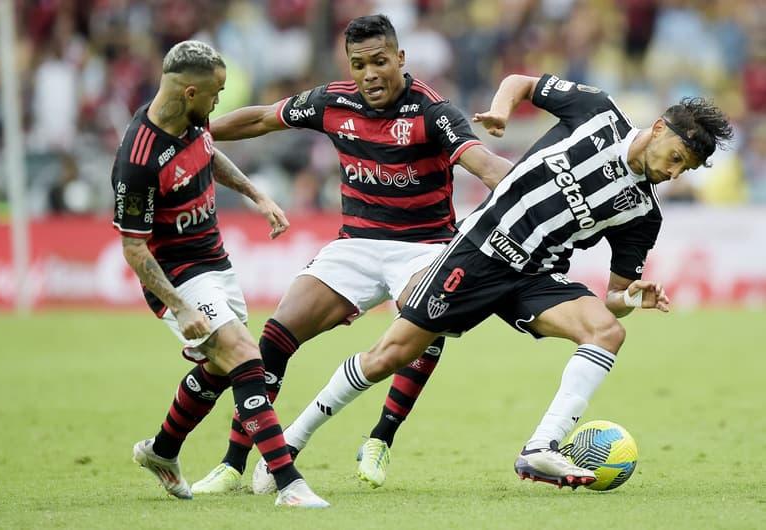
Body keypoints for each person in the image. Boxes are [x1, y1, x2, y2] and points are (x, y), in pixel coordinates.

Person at [279, 73, 733, 488]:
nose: (673, 174)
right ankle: (289, 445)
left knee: (608, 331)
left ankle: (541, 448)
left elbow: (612, 298)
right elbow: (520, 81)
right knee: (387, 357)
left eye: (684, 170)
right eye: (675, 158)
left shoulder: (643, 213)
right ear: (657, 129)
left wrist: (632, 297)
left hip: (536, 276)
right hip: (480, 250)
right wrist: (500, 111)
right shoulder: (597, 111)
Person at [191, 14, 513, 494]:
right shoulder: (333, 101)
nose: (369, 74)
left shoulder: (432, 111)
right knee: (275, 336)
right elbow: (261, 118)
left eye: (380, 62)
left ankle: (380, 437)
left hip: (424, 247)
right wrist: (197, 134)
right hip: (356, 245)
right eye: (359, 64)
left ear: (400, 59)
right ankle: (233, 462)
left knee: (428, 317)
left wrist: (539, 189)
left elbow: (484, 165)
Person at [111, 40, 328, 507]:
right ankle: (288, 483)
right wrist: (178, 305)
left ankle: (162, 451)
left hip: (216, 262)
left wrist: (257, 195)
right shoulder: (138, 161)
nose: (218, 102)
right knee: (245, 356)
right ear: (190, 92)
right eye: (216, 93)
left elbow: (209, 153)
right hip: (178, 275)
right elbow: (133, 247)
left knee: (220, 368)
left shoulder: (193, 119)